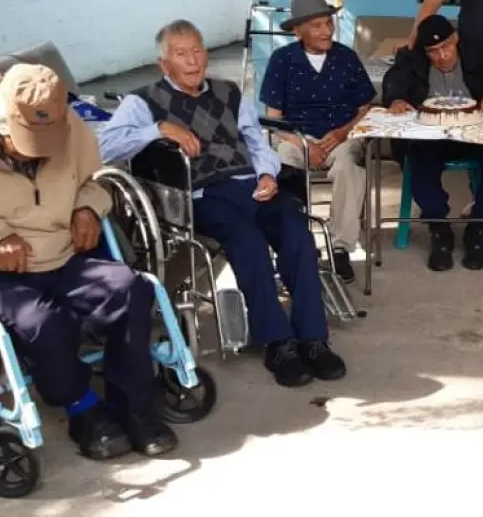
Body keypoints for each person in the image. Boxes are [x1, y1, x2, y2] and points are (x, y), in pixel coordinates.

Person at [0, 64, 177, 460]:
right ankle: (82, 407)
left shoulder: (70, 121)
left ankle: (134, 407)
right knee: (42, 324)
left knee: (130, 290)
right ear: (1, 119)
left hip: (63, 250)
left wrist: (87, 208)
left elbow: (94, 183)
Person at [99, 20, 345, 389]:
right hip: (202, 194)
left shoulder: (229, 93)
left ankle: (313, 338)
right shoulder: (143, 101)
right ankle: (278, 342)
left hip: (252, 185)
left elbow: (255, 142)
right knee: (247, 243)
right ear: (164, 65)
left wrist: (266, 174)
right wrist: (159, 129)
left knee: (297, 232)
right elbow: (106, 148)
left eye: (197, 50)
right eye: (181, 54)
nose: (193, 60)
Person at [260, 0, 375, 284]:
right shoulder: (282, 60)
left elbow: (365, 107)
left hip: (340, 134)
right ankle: (295, 244)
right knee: (284, 164)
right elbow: (273, 118)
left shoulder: (346, 58)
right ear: (298, 31)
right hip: (295, 136)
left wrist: (343, 132)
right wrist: (303, 145)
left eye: (328, 23)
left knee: (350, 166)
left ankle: (340, 249)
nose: (327, 31)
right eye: (317, 26)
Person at [382, 15, 483, 272]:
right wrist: (395, 98)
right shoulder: (411, 58)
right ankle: (439, 228)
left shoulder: (475, 53)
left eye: (447, 47)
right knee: (418, 160)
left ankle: (478, 227)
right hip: (433, 136)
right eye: (433, 52)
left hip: (474, 134)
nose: (442, 56)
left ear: (456, 39)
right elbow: (394, 79)